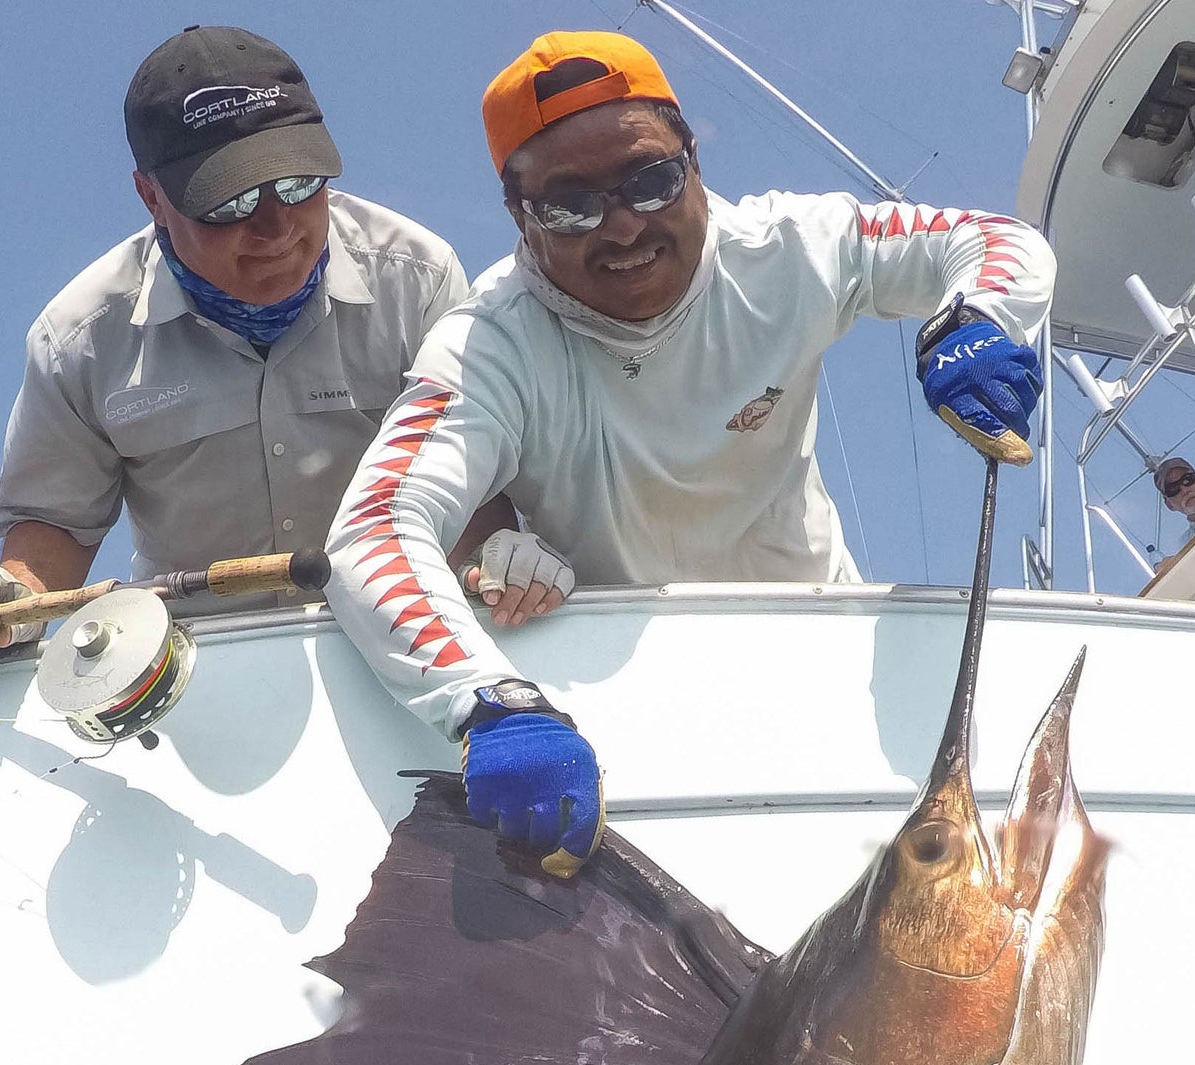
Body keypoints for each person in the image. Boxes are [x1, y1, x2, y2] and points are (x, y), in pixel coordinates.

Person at [322, 30, 1053, 875]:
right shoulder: (487, 344)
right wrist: (489, 705)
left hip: (830, 660)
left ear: (693, 160)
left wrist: (979, 316)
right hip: (622, 715)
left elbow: (999, 242)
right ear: (519, 216)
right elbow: (375, 526)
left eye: (651, 179)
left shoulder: (791, 246)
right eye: (571, 204)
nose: (624, 224)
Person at [0, 25, 485, 648]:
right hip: (201, 669)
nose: (275, 228)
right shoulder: (78, 338)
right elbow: (55, 527)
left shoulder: (420, 278)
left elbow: (474, 474)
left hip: (409, 637)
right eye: (229, 202)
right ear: (151, 197)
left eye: (297, 184)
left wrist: (497, 555)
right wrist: (15, 591)